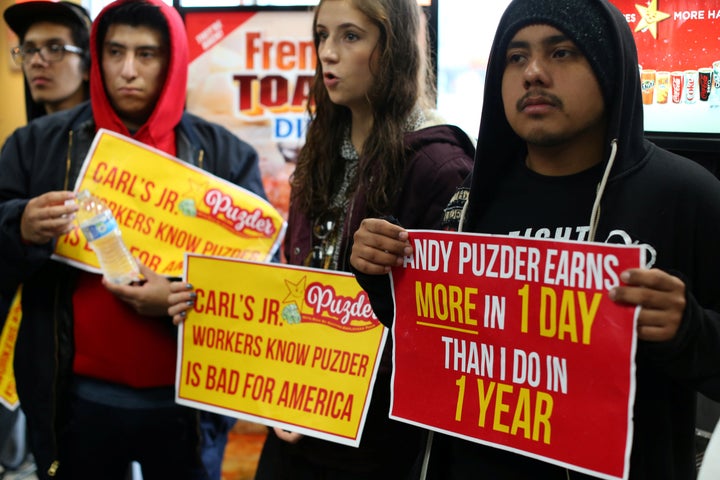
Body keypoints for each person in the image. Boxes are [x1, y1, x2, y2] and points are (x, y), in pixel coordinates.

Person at [350, 0, 720, 479]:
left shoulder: (685, 194)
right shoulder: (473, 196)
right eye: (516, 57)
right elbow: (441, 341)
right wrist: (381, 276)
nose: (534, 73)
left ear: (609, 65)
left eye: (562, 53)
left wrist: (688, 329)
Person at [169, 0, 474, 477]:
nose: (327, 53)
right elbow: (297, 285)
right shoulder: (323, 145)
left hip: (379, 445)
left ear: (392, 48)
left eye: (350, 36)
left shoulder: (440, 165)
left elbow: (450, 329)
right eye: (321, 36)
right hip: (296, 424)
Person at [0, 0, 267, 479]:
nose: (128, 70)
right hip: (73, 402)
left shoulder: (227, 155)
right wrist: (19, 225)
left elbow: (254, 283)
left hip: (187, 406)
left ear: (173, 61)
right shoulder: (34, 144)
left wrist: (180, 297)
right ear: (96, 58)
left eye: (147, 55)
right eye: (115, 51)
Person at [4, 0, 91, 122]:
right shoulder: (23, 139)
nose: (35, 61)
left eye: (54, 49)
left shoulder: (110, 138)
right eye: (29, 50)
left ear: (87, 65)